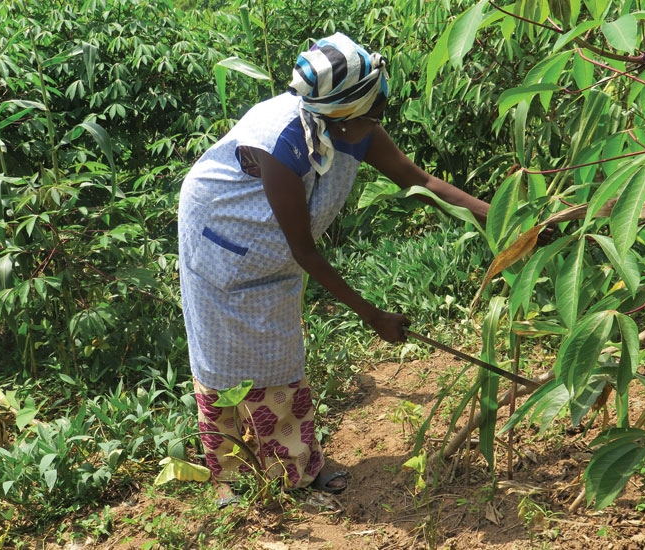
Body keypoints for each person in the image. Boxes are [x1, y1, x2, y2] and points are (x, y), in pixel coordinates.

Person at [177, 32, 489, 503]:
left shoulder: (351, 124)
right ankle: (232, 476)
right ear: (342, 116)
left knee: (279, 356)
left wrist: (503, 219)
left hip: (270, 249)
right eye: (373, 114)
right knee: (221, 360)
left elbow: (418, 181)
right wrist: (372, 315)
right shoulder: (281, 141)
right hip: (221, 236)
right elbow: (305, 252)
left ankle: (293, 467)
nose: (378, 121)